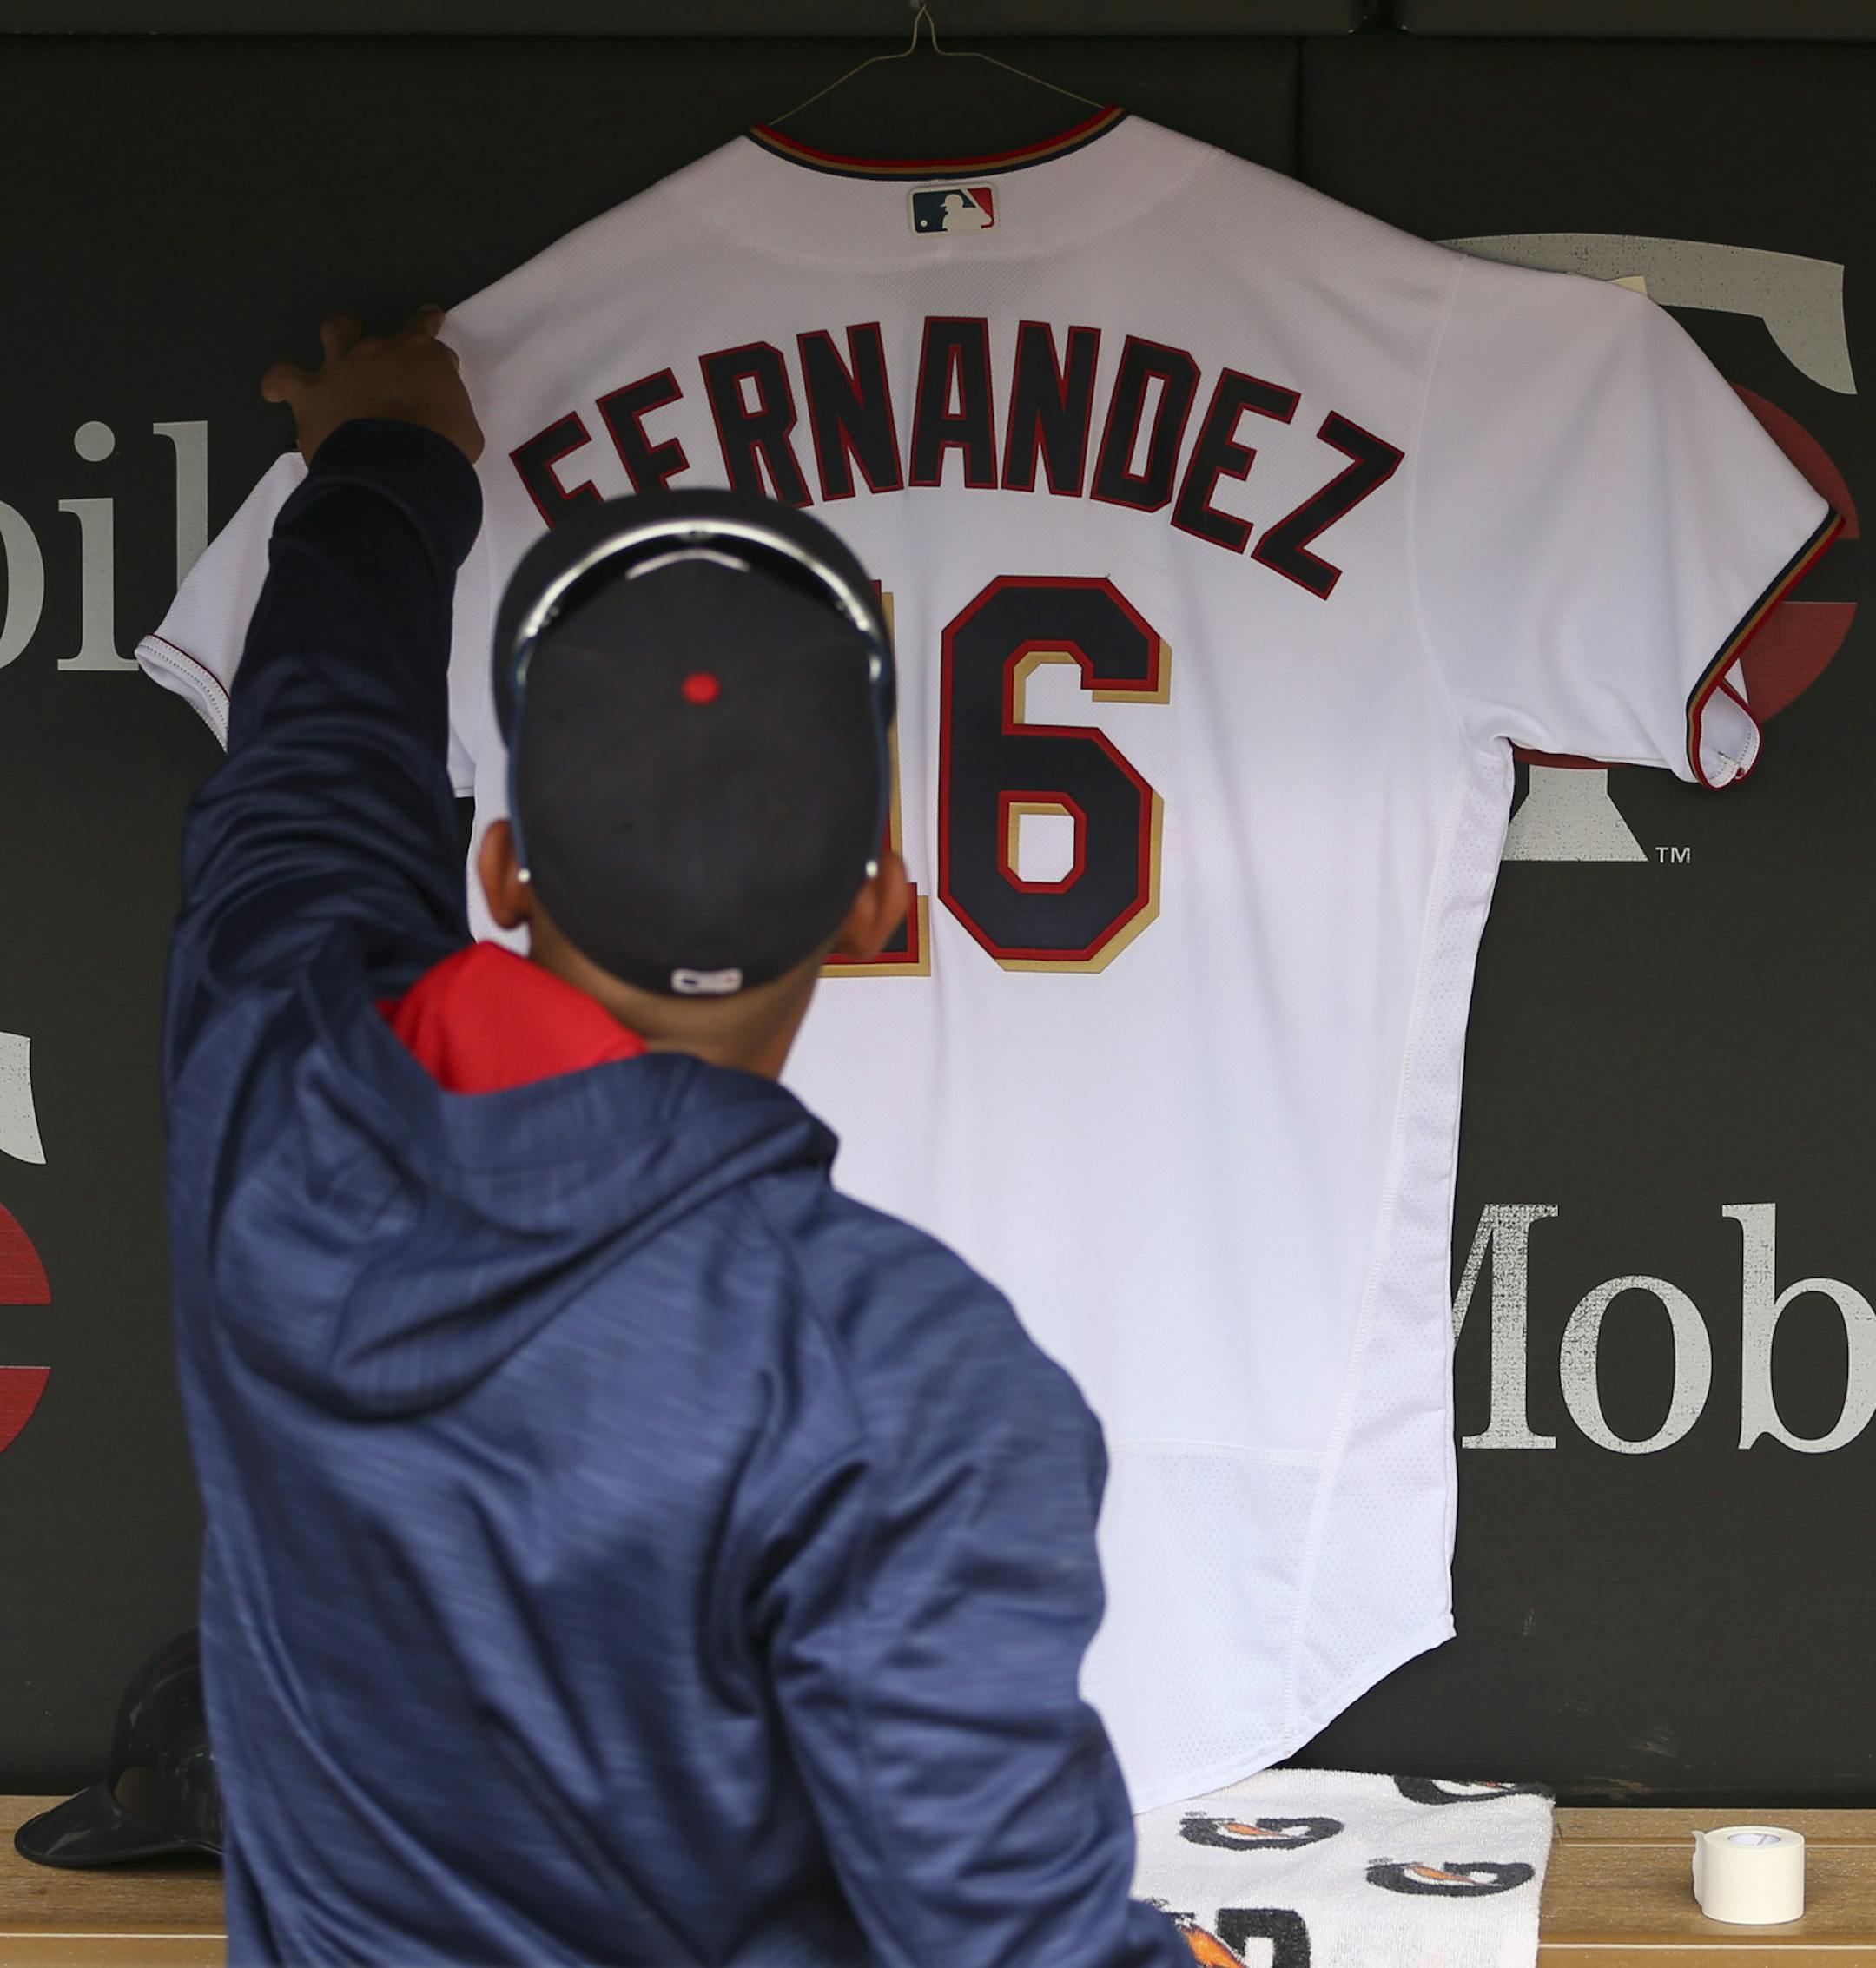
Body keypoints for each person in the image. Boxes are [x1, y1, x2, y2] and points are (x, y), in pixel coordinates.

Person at [159, 305, 1190, 1968]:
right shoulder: (899, 1373)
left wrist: (389, 455)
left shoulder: (272, 1097)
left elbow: (311, 752)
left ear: (500, 869)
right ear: (878, 906)